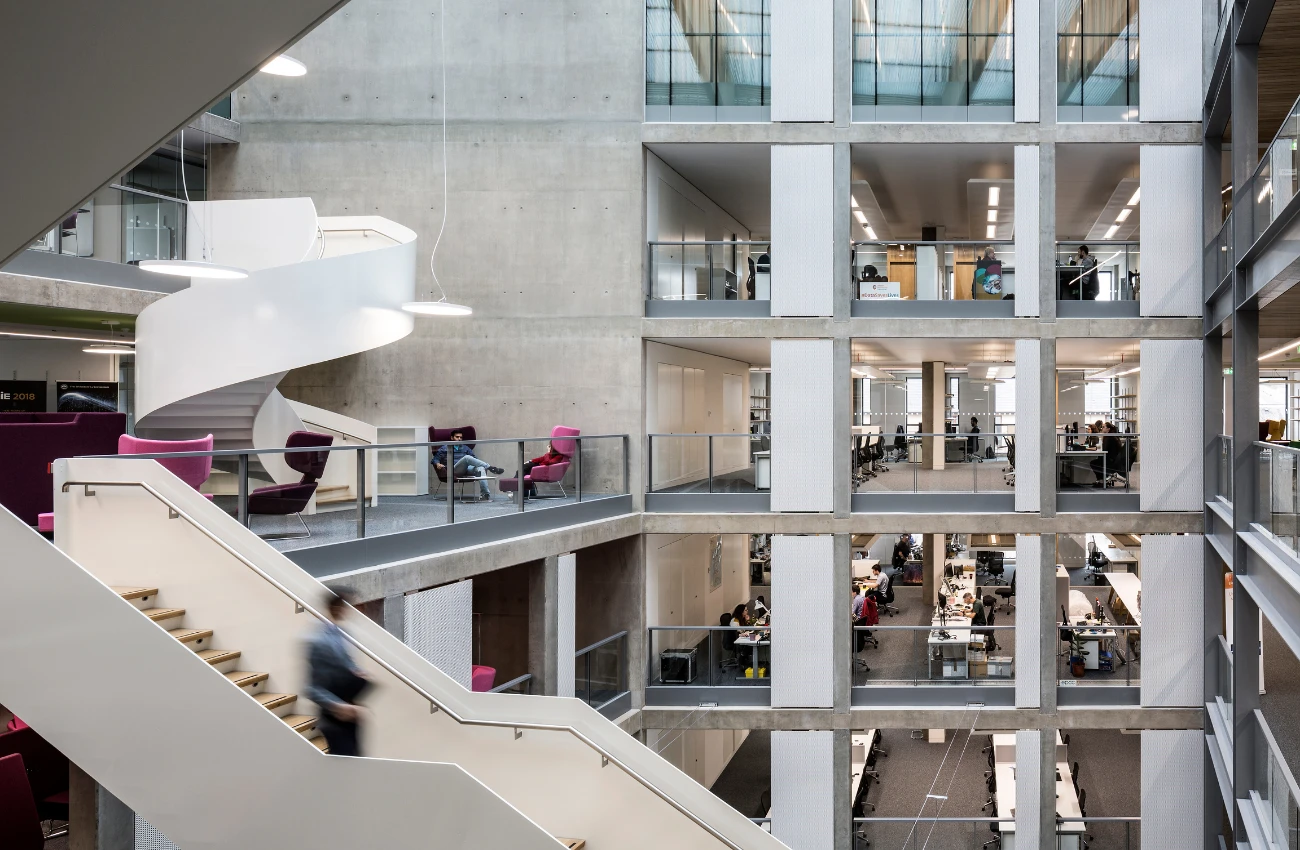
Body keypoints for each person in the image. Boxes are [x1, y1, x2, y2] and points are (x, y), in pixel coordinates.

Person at [306, 588, 370, 757]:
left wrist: (356, 671)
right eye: (348, 605)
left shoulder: (341, 633)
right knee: (345, 765)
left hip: (351, 711)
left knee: (356, 761)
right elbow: (311, 688)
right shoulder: (318, 641)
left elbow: (345, 664)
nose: (352, 611)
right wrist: (337, 706)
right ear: (337, 607)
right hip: (335, 717)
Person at [433, 430, 503, 501]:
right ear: (452, 438)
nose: (459, 439)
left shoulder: (465, 448)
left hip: (466, 469)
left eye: (461, 437)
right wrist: (438, 463)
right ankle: (490, 467)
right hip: (454, 470)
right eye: (457, 437)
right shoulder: (444, 448)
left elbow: (474, 459)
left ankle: (485, 494)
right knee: (467, 458)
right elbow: (435, 459)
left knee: (480, 468)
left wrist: (477, 465)